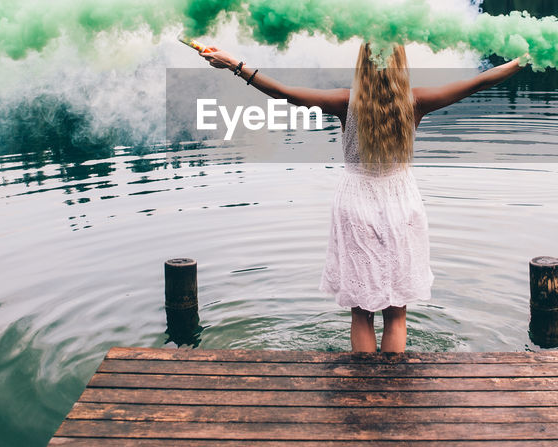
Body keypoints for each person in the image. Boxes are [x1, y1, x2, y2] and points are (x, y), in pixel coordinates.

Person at [200, 41, 527, 353]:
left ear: (362, 65)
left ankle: (364, 388)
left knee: (361, 313)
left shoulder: (346, 103)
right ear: (400, 64)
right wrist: (525, 60)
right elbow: (479, 83)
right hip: (401, 202)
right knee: (397, 313)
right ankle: (392, 387)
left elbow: (283, 93)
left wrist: (235, 65)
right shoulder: (415, 101)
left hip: (356, 202)